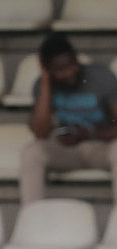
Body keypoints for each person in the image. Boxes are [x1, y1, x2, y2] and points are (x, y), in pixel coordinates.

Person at [20, 32, 117, 204]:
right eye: (60, 69)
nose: (70, 72)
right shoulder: (42, 86)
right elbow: (41, 132)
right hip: (69, 149)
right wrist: (45, 82)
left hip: (101, 145)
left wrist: (90, 134)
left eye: (73, 64)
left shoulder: (103, 77)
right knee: (32, 152)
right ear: (46, 67)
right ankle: (31, 216)